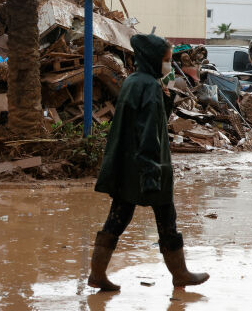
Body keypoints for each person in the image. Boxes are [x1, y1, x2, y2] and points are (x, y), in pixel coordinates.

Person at [88, 34, 209, 291]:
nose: (169, 65)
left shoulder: (133, 81)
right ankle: (180, 273)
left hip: (127, 166)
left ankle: (97, 274)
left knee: (118, 217)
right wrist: (152, 171)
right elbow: (149, 132)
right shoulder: (150, 87)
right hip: (148, 165)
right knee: (167, 218)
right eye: (166, 60)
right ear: (154, 59)